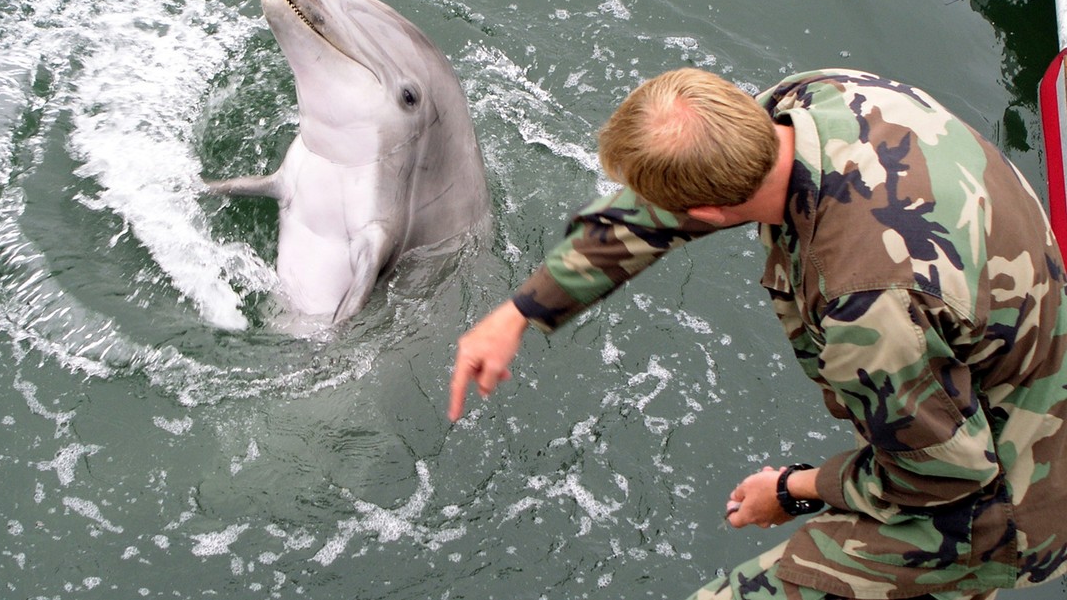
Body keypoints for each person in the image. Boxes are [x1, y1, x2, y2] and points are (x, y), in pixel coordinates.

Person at [447, 68, 1067, 600]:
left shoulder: (867, 307)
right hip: (1007, 366)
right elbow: (666, 204)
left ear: (711, 216)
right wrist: (520, 311)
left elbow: (941, 480)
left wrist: (792, 490)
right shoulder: (815, 101)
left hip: (1008, 509)